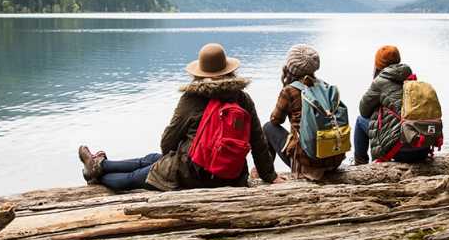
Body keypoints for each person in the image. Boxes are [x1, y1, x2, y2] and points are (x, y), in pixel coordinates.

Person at [79, 43, 281, 191]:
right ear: (229, 71)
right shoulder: (242, 99)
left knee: (133, 178)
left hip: (191, 173)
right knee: (150, 159)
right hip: (231, 175)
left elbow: (167, 142)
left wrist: (173, 156)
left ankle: (95, 175)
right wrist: (269, 176)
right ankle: (100, 164)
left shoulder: (192, 98)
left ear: (201, 72)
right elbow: (258, 141)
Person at [263, 44, 345, 180]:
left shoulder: (289, 91)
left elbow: (275, 120)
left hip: (307, 163)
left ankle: (267, 173)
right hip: (333, 160)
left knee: (268, 127)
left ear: (291, 67)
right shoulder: (325, 87)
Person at [354, 45, 431, 164]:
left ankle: (360, 164)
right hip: (423, 146)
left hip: (401, 151)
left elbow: (363, 110)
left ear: (378, 64)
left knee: (360, 121)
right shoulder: (410, 78)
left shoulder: (380, 82)